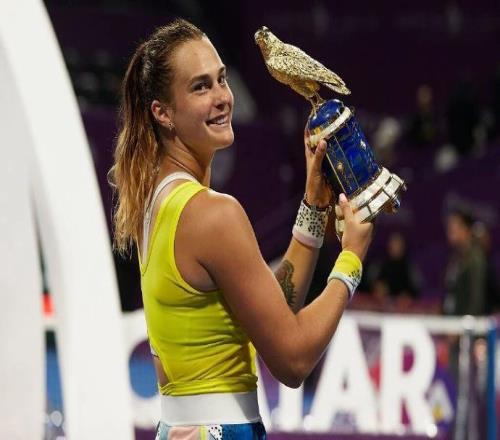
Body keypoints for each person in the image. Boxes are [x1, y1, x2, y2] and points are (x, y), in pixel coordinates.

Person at [109, 19, 373, 439]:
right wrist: (351, 261)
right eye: (200, 87)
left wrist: (314, 208)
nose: (222, 98)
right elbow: (292, 359)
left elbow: (271, 312)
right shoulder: (212, 214)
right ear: (162, 112)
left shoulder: (157, 200)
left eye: (222, 79)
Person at [443, 208, 487, 316]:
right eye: (449, 226)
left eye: (455, 226)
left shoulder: (475, 258)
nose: (450, 230)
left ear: (467, 229)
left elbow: (477, 298)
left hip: (466, 323)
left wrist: (467, 322)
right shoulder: (455, 258)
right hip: (452, 320)